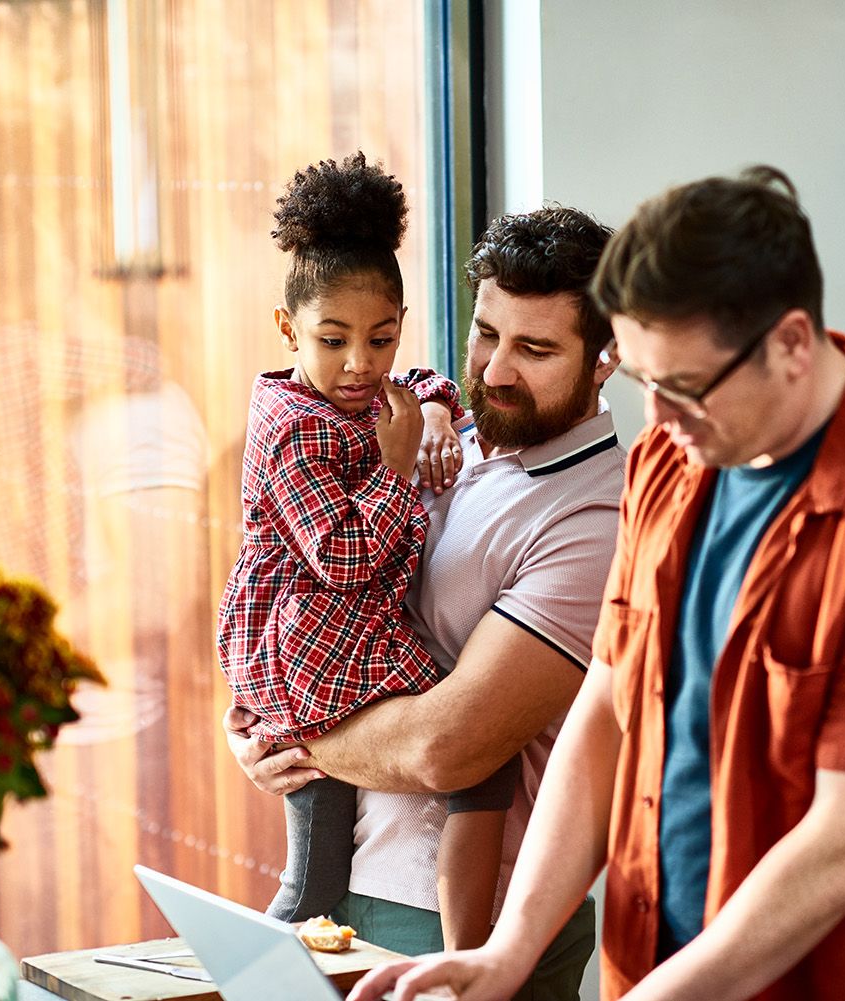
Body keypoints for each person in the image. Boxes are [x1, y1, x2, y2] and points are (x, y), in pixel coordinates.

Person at [348, 167, 845, 1001]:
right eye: (645, 382)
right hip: (655, 966)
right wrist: (511, 943)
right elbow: (607, 709)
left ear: (792, 344)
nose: (659, 421)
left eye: (686, 386)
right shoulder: (673, 460)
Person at [224, 205, 625, 995]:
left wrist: (288, 731)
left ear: (607, 357)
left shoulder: (597, 517)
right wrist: (253, 718)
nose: (498, 369)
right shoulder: (448, 437)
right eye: (486, 334)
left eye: (536, 348)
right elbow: (319, 579)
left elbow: (449, 748)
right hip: (350, 877)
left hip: (458, 923)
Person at [216, 154, 519, 950]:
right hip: (317, 641)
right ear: (288, 331)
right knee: (483, 763)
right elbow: (344, 558)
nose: (359, 364)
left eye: (380, 338)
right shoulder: (290, 429)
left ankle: (311, 961)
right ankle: (467, 955)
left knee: (318, 868)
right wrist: (393, 471)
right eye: (332, 339)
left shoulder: (381, 391)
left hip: (339, 638)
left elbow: (429, 383)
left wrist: (430, 408)